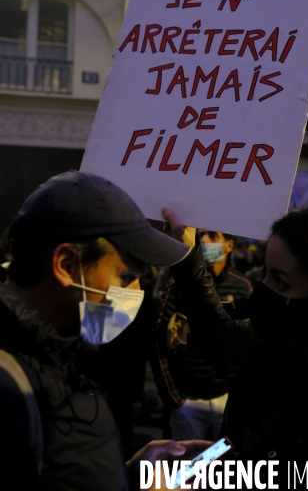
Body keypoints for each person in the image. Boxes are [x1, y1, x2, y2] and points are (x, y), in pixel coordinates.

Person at [0, 170, 211, 490]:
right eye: (126, 277)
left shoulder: (54, 349)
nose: (136, 292)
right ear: (66, 265)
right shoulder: (9, 384)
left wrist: (130, 474)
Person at [162, 207, 308, 490]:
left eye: (280, 281)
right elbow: (237, 442)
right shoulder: (268, 346)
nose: (263, 292)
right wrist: (194, 469)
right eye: (265, 274)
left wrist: (227, 474)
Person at [151, 230, 252, 441]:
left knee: (222, 471)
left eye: (213, 236)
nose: (204, 240)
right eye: (202, 235)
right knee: (187, 470)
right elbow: (158, 342)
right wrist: (175, 401)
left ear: (229, 246)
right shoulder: (180, 283)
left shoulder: (242, 286)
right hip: (188, 400)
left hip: (225, 399)